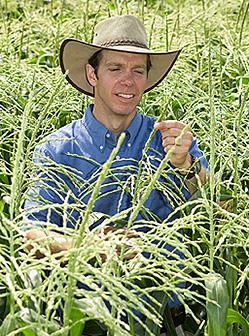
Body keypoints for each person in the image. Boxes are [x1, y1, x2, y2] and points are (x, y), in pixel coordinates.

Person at [24, 14, 208, 334]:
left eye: (138, 71)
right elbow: (31, 236)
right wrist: (93, 246)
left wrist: (187, 166)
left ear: (147, 80)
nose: (128, 80)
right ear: (92, 74)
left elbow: (214, 207)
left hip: (164, 319)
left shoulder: (169, 139)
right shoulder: (55, 151)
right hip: (87, 320)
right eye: (116, 68)